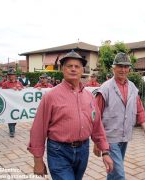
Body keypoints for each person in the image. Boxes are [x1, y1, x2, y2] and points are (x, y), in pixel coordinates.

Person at [28, 51, 113, 179]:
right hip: (59, 151)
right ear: (63, 69)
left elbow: (97, 125)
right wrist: (38, 160)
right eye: (69, 66)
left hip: (83, 151)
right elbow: (38, 130)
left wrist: (105, 151)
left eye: (77, 66)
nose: (73, 69)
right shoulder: (51, 96)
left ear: (82, 70)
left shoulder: (89, 96)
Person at [93, 52, 145, 180]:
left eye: (126, 67)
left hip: (125, 136)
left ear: (129, 69)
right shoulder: (105, 89)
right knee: (120, 175)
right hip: (109, 138)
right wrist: (97, 142)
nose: (123, 70)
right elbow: (95, 116)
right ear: (113, 68)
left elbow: (140, 111)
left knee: (112, 170)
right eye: (120, 66)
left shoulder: (133, 88)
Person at [2, 69, 23, 137]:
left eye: (12, 75)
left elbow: (23, 92)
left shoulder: (19, 83)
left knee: (15, 117)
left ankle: (12, 126)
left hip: (17, 103)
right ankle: (12, 131)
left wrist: (20, 89)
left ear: (15, 76)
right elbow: (3, 94)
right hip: (9, 104)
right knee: (10, 117)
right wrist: (10, 90)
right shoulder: (5, 84)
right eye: (9, 75)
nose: (10, 76)